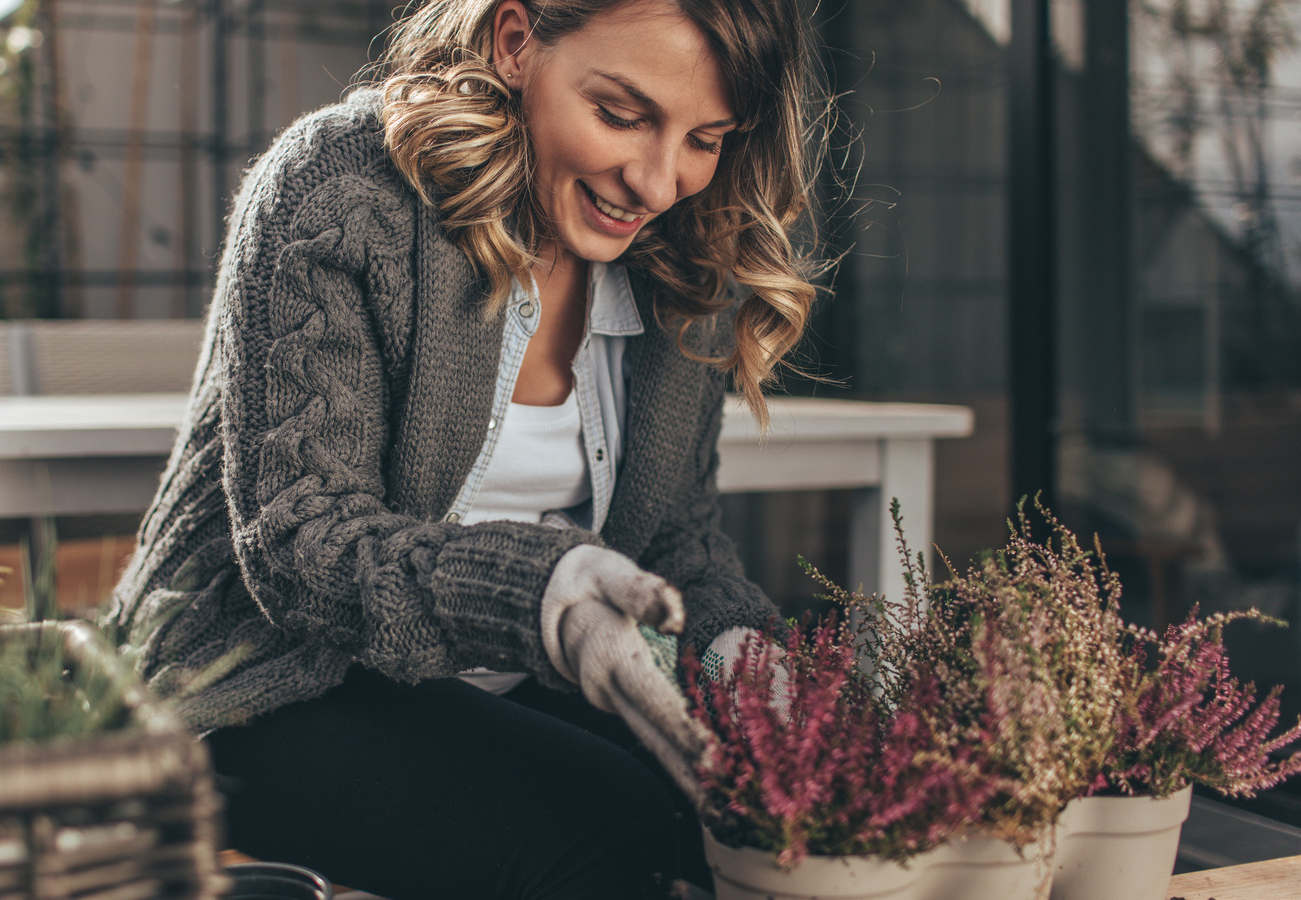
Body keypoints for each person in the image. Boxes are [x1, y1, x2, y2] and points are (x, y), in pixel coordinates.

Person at [106, 0, 823, 897]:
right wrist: (545, 594)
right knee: (606, 828)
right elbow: (303, 546)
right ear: (515, 43)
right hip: (259, 678)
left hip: (507, 679)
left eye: (705, 140)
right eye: (621, 115)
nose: (657, 182)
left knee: (731, 813)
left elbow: (678, 541)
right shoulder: (341, 188)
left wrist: (737, 661)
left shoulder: (687, 254)